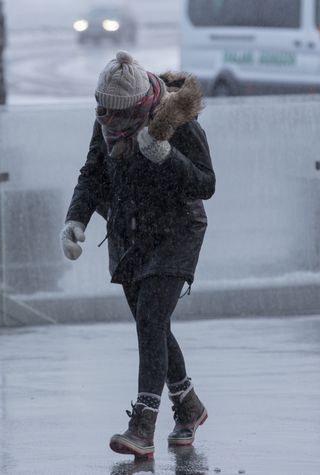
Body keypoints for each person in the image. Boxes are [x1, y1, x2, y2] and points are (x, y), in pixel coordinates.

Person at [60, 50, 216, 458]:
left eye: (114, 114)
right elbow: (93, 172)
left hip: (177, 230)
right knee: (154, 326)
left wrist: (167, 157)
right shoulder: (108, 121)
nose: (105, 121)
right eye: (100, 111)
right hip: (129, 231)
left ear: (139, 105)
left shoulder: (177, 122)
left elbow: (205, 184)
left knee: (150, 318)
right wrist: (75, 220)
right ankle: (189, 407)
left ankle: (142, 426)